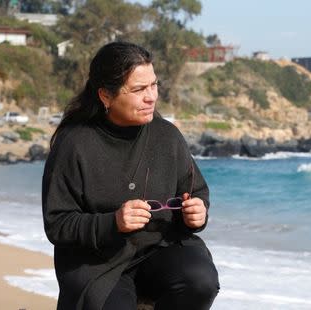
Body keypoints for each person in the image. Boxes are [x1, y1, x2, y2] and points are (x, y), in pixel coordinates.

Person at [42, 41, 219, 310]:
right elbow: (57, 224)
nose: (151, 97)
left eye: (154, 85)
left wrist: (197, 213)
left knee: (200, 282)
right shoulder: (74, 143)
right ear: (106, 96)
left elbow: (196, 191)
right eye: (138, 89)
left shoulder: (167, 135)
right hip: (96, 264)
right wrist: (113, 223)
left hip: (159, 250)